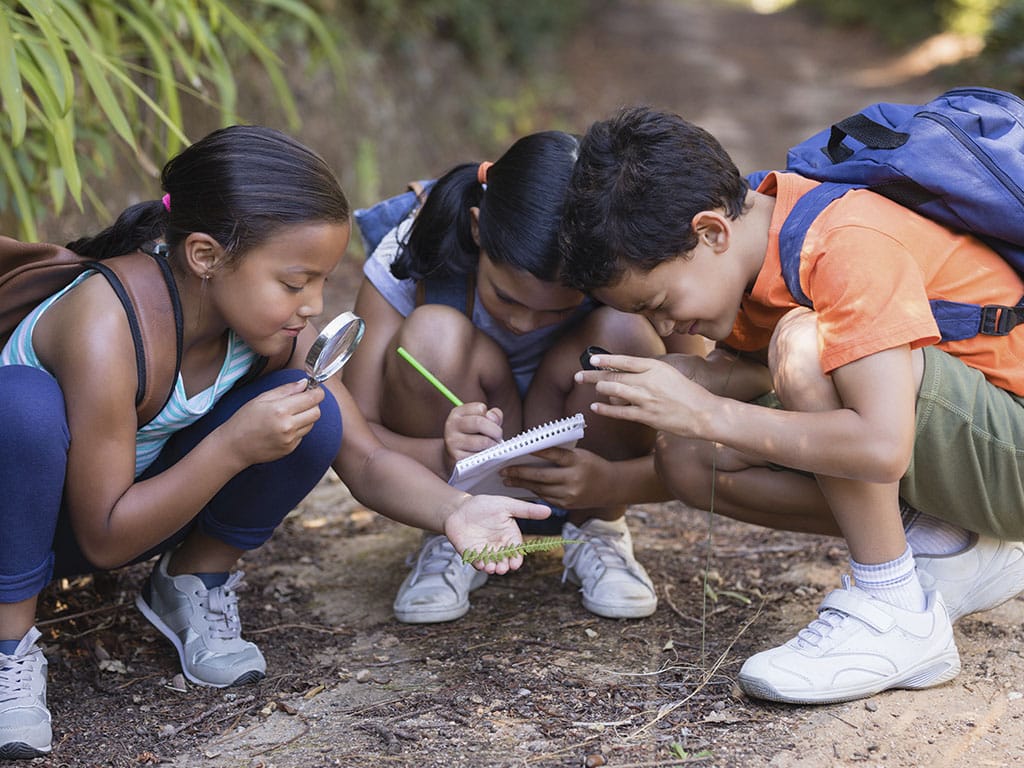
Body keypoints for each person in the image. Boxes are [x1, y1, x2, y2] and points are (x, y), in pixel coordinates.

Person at [0, 125, 552, 760]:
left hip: (109, 514)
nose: (313, 304)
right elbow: (102, 536)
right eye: (295, 283)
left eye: (322, 281)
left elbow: (367, 459)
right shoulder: (108, 322)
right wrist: (233, 446)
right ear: (205, 256)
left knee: (312, 408)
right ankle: (9, 640)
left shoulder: (266, 332)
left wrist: (456, 510)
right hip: (34, 520)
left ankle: (189, 584)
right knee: (22, 409)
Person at [558, 105, 1024, 706]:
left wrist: (706, 409)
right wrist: (703, 378)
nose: (666, 323)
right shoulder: (752, 250)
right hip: (971, 449)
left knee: (804, 346)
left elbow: (881, 449)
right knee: (689, 458)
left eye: (660, 302)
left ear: (711, 232)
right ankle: (953, 546)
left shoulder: (843, 243)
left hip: (1011, 448)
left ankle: (894, 609)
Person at [345, 131, 706, 625]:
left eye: (556, 311)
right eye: (506, 299)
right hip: (459, 467)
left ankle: (597, 529)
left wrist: (610, 482)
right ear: (477, 231)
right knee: (431, 335)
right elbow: (356, 427)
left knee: (623, 332)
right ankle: (452, 528)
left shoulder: (626, 265)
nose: (523, 323)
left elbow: (699, 411)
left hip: (581, 456)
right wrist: (442, 453)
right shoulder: (414, 249)